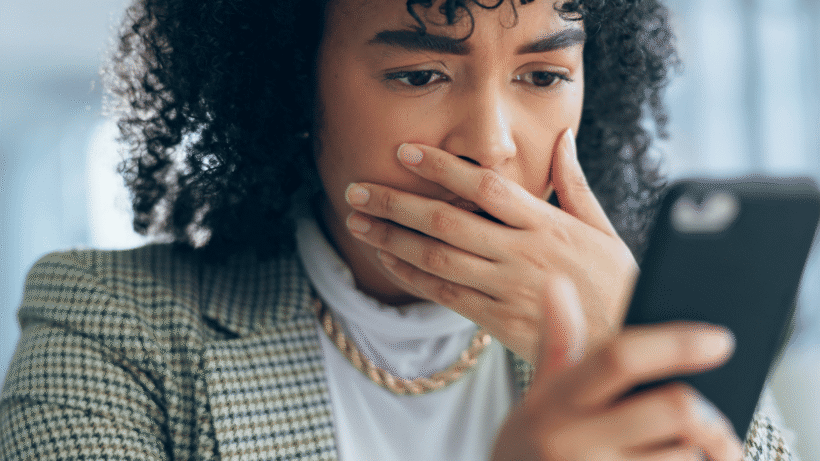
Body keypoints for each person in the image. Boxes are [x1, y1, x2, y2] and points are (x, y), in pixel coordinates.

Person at [0, 0, 797, 459]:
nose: (491, 142)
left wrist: (637, 341)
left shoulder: (637, 313)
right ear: (290, 86)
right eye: (420, 74)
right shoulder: (102, 321)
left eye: (545, 76)